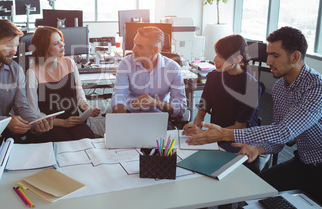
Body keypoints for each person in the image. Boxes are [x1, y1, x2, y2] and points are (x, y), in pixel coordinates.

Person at [187, 27, 322, 203]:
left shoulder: (316, 87)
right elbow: (278, 137)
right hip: (303, 162)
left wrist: (225, 134)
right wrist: (257, 148)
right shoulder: (280, 87)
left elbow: (284, 132)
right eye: (267, 54)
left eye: (275, 55)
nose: (267, 61)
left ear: (295, 57)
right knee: (254, 194)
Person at [182, 35, 266, 172]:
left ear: (238, 59)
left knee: (211, 167)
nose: (215, 59)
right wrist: (196, 127)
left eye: (221, 56)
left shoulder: (251, 87)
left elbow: (239, 127)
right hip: (216, 136)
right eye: (216, 54)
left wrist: (205, 134)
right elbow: (202, 111)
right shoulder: (213, 77)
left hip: (238, 138)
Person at [26, 26, 100, 142]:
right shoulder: (32, 72)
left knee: (87, 136)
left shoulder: (70, 63)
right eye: (56, 43)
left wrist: (87, 109)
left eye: (61, 40)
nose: (62, 45)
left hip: (73, 120)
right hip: (50, 124)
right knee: (64, 141)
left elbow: (80, 97)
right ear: (44, 47)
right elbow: (34, 112)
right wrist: (63, 123)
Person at [111, 26, 187, 123]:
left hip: (158, 119)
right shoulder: (126, 64)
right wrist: (122, 117)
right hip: (130, 116)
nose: (133, 50)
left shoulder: (173, 68)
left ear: (155, 50)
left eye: (140, 47)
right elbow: (119, 95)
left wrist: (155, 102)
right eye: (134, 44)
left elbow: (181, 108)